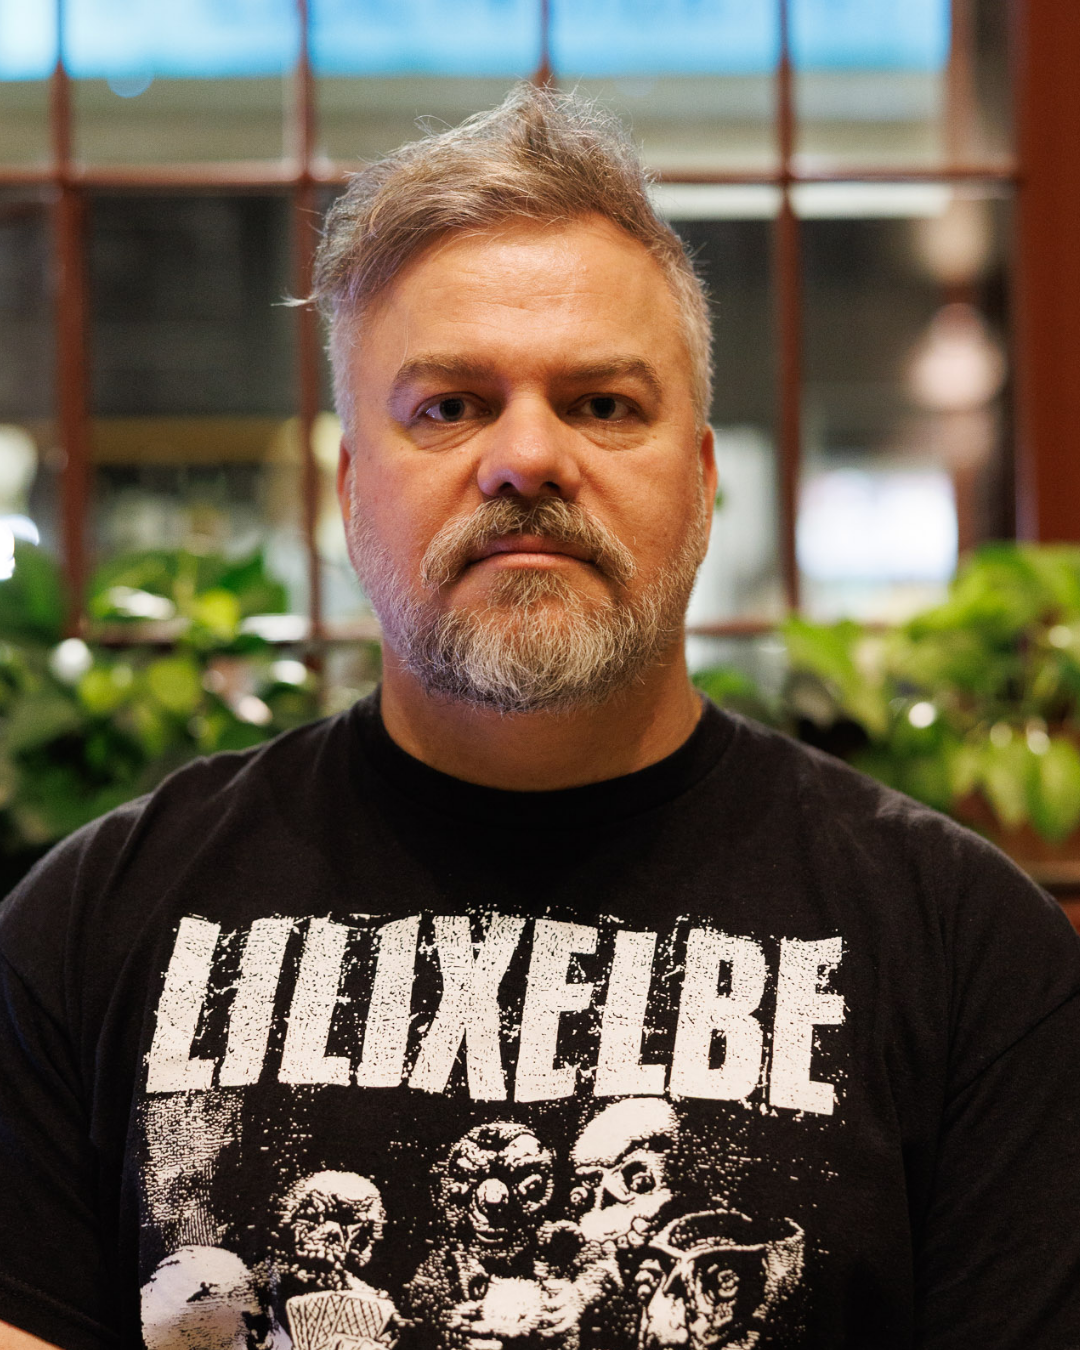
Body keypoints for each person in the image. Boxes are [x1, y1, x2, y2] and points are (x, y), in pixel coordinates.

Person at [1, 83, 1079, 1350]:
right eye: (448, 406)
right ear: (351, 488)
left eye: (604, 405)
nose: (526, 458)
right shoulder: (95, 927)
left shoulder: (965, 949)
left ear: (703, 483)